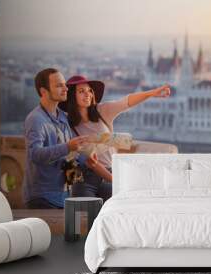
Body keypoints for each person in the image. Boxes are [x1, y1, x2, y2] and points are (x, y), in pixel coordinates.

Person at [59, 75, 171, 201]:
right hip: (85, 180)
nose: (87, 94)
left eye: (89, 90)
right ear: (72, 96)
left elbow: (126, 101)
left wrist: (152, 93)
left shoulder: (102, 111)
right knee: (88, 215)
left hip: (109, 173)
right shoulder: (68, 124)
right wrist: (117, 181)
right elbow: (92, 163)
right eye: (81, 91)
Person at [23, 68, 104, 209]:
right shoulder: (36, 119)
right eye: (59, 85)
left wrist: (86, 158)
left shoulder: (62, 117)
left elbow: (72, 152)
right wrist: (67, 147)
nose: (66, 88)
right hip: (43, 198)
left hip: (63, 196)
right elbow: (34, 154)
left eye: (64, 84)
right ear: (43, 91)